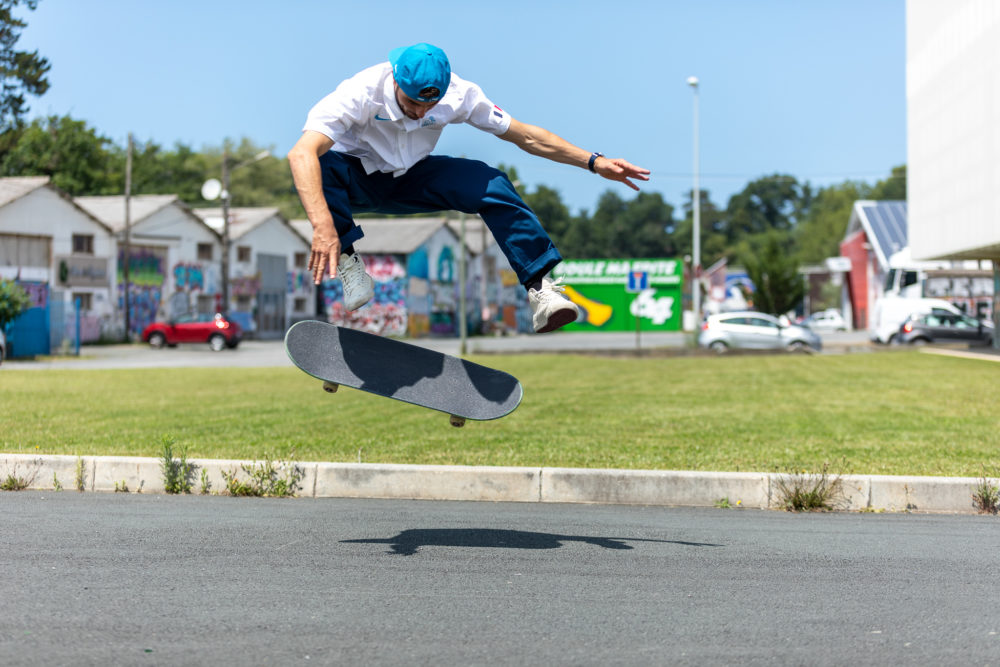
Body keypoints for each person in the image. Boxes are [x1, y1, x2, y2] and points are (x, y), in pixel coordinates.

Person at [289, 43, 650, 333]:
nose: (420, 112)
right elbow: (300, 153)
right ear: (396, 81)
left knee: (490, 181)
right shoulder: (360, 92)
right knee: (320, 162)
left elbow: (525, 136)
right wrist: (324, 228)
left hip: (414, 179)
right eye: (412, 102)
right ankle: (351, 264)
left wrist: (593, 161)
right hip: (357, 178)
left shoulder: (460, 94)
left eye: (429, 104)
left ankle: (540, 290)